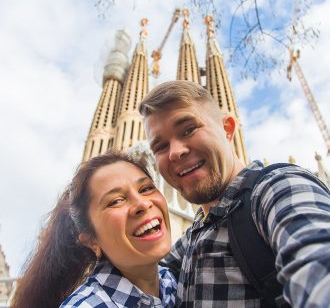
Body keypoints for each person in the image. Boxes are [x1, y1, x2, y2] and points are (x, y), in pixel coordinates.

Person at [139, 80, 330, 307]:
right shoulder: (194, 235)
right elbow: (140, 278)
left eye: (189, 129)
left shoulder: (276, 188)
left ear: (228, 128)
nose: (175, 152)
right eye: (160, 147)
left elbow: (319, 262)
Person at [10, 151, 177, 308]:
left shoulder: (172, 283)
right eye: (116, 201)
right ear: (92, 240)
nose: (142, 203)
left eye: (146, 188)